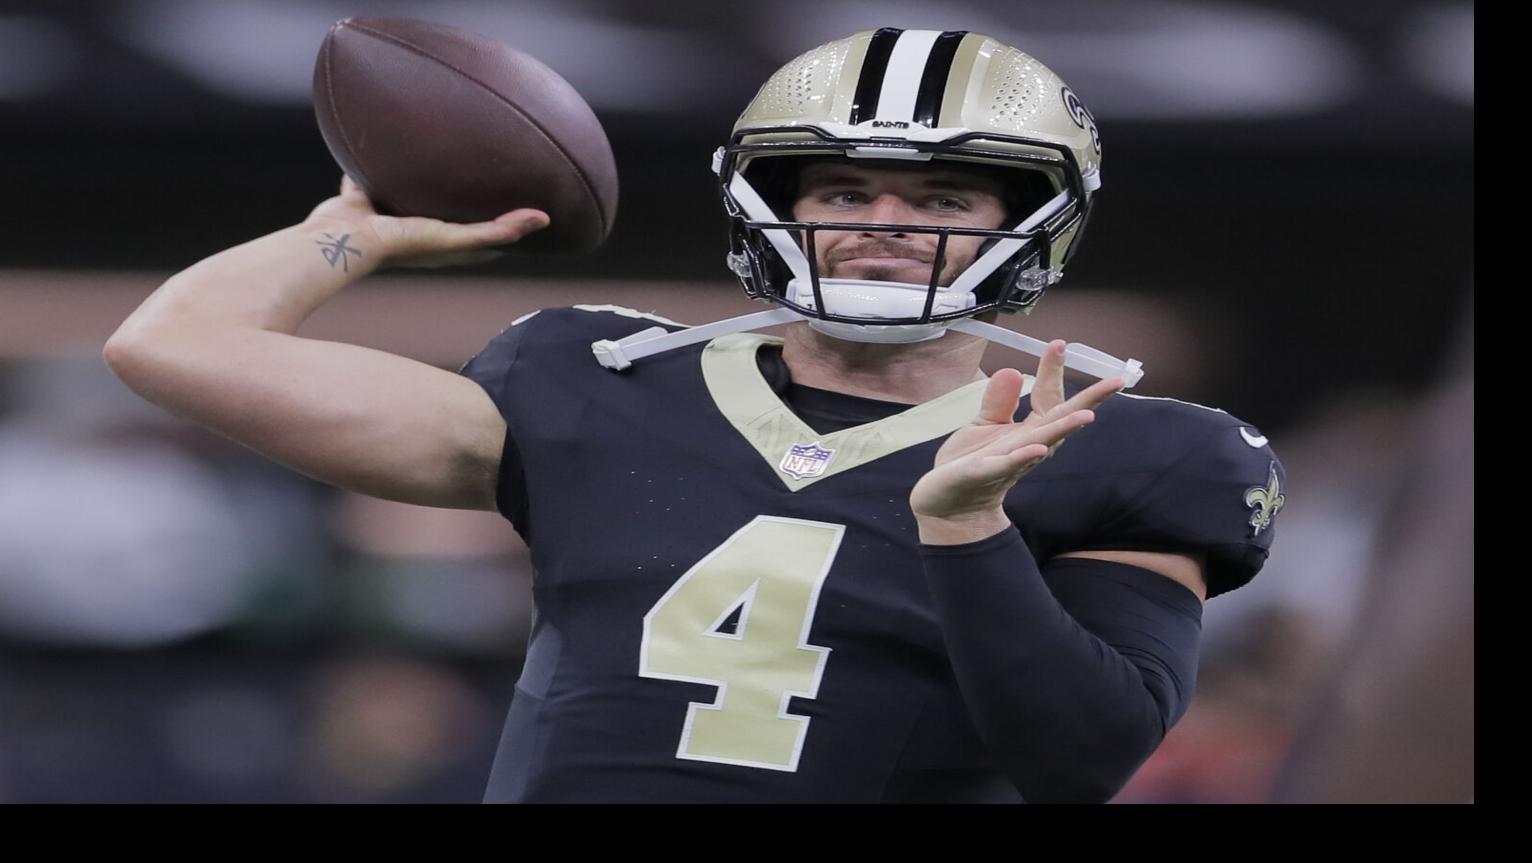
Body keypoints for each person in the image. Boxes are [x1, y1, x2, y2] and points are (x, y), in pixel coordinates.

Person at [104, 28, 1284, 803]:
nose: (883, 219)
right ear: (766, 202)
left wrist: (968, 527)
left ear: (1029, 222)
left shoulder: (1125, 446)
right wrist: (357, 229)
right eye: (840, 187)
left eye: (941, 194)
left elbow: (1081, 756)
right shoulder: (599, 379)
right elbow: (171, 347)